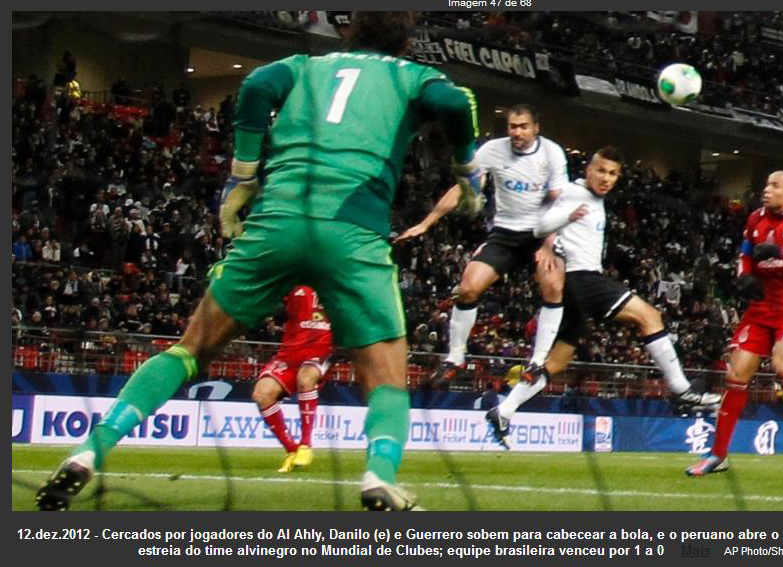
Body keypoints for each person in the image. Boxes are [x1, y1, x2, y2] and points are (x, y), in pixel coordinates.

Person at [36, 12, 481, 512]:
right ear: (405, 40)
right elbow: (454, 101)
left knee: (189, 350)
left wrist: (243, 174)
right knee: (386, 379)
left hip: (276, 223)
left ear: (349, 28)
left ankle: (88, 453)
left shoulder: (303, 66)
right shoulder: (412, 76)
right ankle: (378, 474)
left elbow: (255, 85)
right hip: (352, 231)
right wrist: (466, 170)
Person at [485, 147, 720, 448]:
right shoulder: (574, 193)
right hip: (581, 279)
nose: (606, 178)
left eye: (612, 174)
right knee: (649, 316)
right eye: (601, 171)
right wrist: (549, 241)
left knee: (557, 362)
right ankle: (682, 390)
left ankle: (504, 410)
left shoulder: (594, 200)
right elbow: (542, 223)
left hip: (577, 287)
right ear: (588, 170)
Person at [395, 104, 569, 384]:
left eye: (524, 126)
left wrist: (548, 244)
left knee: (553, 287)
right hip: (505, 232)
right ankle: (455, 359)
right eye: (513, 126)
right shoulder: (492, 150)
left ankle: (538, 362)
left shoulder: (552, 153)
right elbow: (464, 187)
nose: (517, 132)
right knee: (467, 289)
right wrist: (426, 223)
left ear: (536, 128)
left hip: (541, 231)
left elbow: (557, 201)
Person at [686, 170, 783, 476]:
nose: (767, 189)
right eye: (766, 184)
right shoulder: (755, 218)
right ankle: (718, 454)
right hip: (761, 306)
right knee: (736, 374)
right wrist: (744, 277)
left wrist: (782, 252)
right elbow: (745, 253)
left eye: (775, 186)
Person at [251, 285, 333, 473]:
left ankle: (305, 444)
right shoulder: (294, 280)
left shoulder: (338, 279)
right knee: (262, 394)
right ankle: (291, 449)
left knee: (306, 379)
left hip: (321, 347)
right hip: (290, 351)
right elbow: (273, 302)